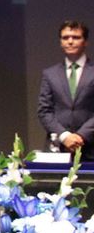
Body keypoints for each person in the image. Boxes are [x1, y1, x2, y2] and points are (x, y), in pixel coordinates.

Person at [38, 20, 93, 152]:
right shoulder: (50, 74)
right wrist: (65, 136)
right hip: (59, 146)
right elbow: (44, 111)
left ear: (85, 42)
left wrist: (81, 135)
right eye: (65, 37)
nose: (70, 41)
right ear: (61, 42)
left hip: (91, 145)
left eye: (76, 37)